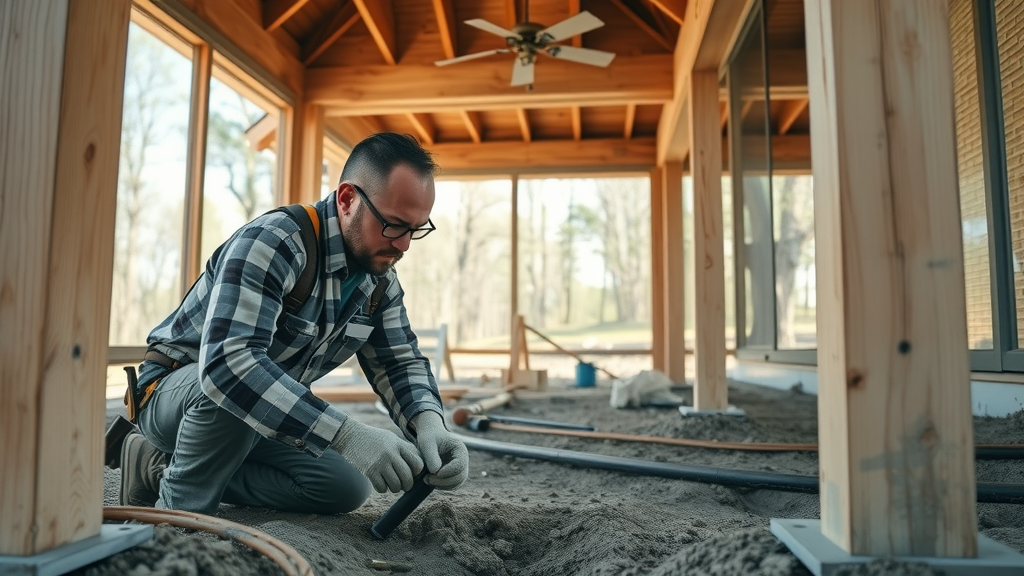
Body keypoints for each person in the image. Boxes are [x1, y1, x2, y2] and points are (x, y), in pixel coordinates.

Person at [120, 132, 469, 515]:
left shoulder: (378, 280)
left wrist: (430, 423)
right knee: (235, 385)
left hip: (257, 413)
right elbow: (228, 365)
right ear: (347, 199)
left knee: (343, 488)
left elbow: (399, 362)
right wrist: (346, 434)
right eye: (394, 225)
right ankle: (179, 516)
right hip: (177, 394)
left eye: (416, 229)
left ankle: (155, 467)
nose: (403, 245)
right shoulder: (275, 242)